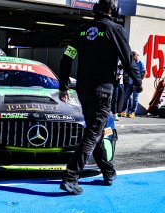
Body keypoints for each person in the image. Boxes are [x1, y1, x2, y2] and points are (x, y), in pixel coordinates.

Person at [58, 0, 143, 195]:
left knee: (94, 131)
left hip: (83, 90)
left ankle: (108, 171)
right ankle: (70, 177)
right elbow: (127, 59)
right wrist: (138, 83)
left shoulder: (81, 30)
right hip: (103, 91)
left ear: (96, 10)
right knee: (94, 134)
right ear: (114, 11)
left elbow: (66, 58)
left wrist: (63, 86)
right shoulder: (115, 29)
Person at [120, 50, 146, 118]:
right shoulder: (132, 62)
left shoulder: (140, 63)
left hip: (136, 84)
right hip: (130, 83)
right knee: (126, 97)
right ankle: (124, 111)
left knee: (135, 99)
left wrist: (139, 81)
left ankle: (132, 112)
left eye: (133, 54)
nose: (132, 56)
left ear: (136, 55)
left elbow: (144, 72)